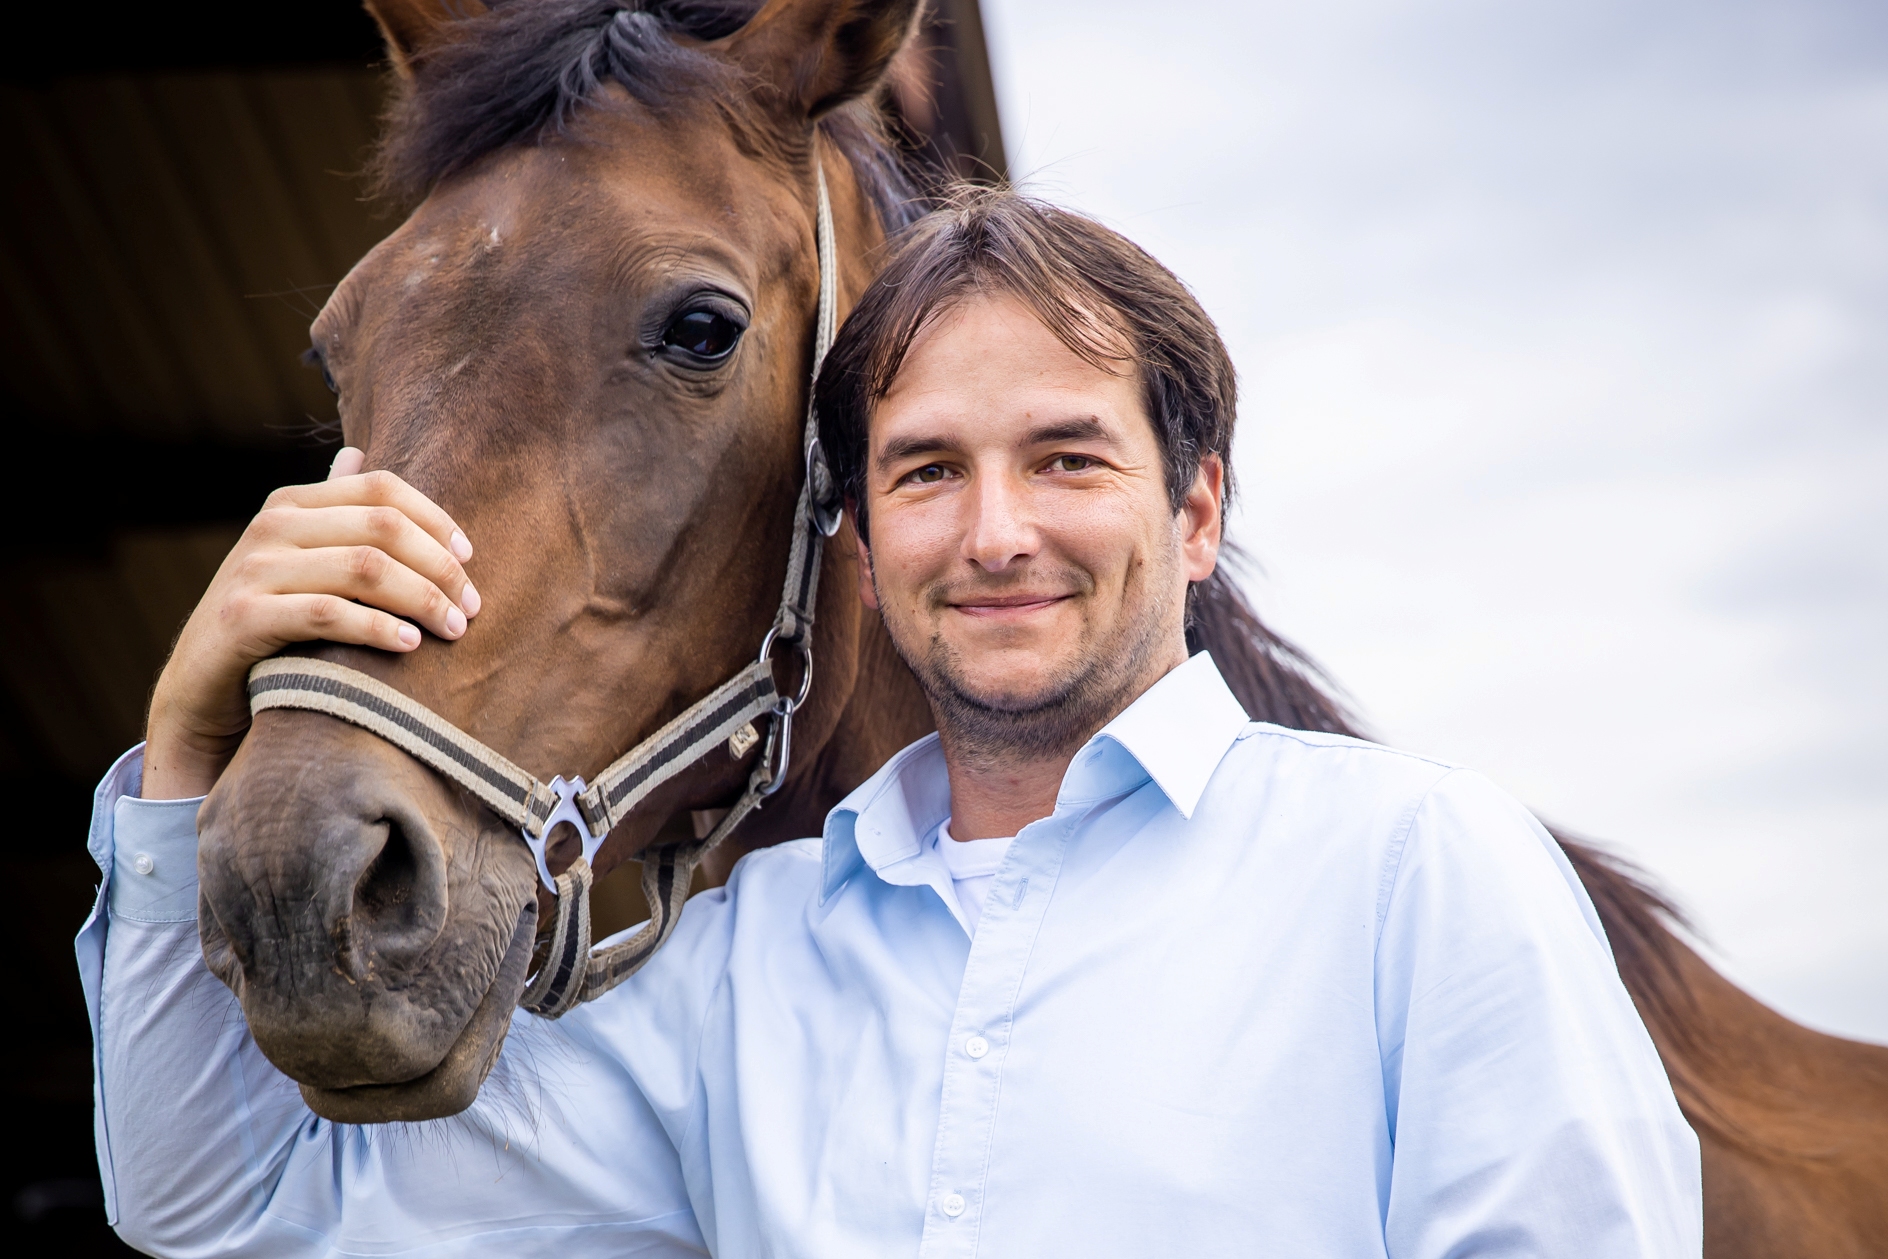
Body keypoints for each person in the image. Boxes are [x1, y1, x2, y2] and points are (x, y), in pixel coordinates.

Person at [81, 190, 1701, 1256]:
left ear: (1198, 511)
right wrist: (184, 742)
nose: (995, 533)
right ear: (854, 539)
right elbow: (231, 1216)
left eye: (1066, 460)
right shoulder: (739, 980)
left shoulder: (1417, 872)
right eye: (927, 472)